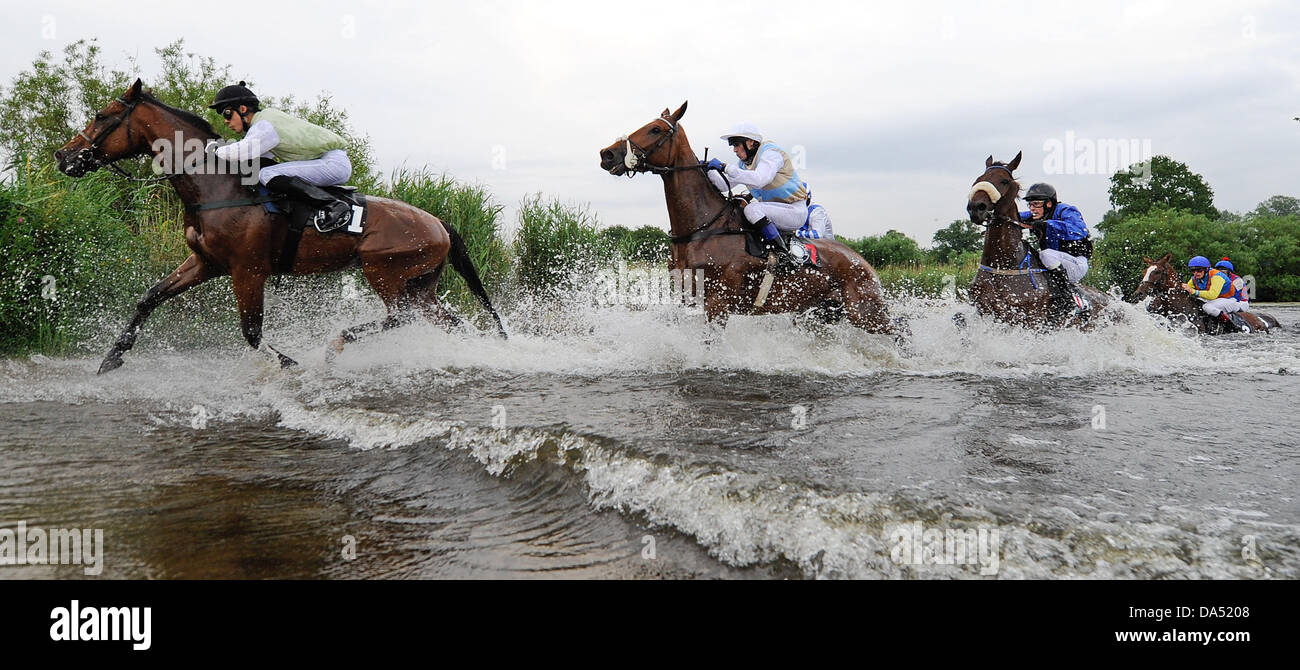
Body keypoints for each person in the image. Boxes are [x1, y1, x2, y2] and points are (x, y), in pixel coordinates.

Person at [206, 81, 353, 230]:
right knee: (266, 170)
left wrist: (216, 150)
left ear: (242, 109)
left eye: (227, 114)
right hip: (327, 161)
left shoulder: (264, 125)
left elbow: (241, 151)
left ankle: (332, 204)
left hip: (332, 163)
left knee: (267, 174)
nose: (225, 121)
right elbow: (260, 159)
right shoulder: (264, 122)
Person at [703, 122, 810, 269]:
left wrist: (724, 167)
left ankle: (783, 253)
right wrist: (706, 170)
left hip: (794, 211)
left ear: (750, 143)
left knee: (752, 210)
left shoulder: (771, 153)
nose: (734, 150)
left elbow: (760, 179)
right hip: (774, 209)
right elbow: (722, 185)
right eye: (732, 146)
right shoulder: (744, 164)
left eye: (736, 145)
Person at [1018, 183, 1092, 320]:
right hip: (1056, 263)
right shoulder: (1038, 214)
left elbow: (1080, 230)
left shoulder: (1066, 211)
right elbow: (1015, 216)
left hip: (1076, 264)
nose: (1032, 209)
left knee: (1045, 254)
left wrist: (1047, 224)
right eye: (1030, 205)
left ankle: (1070, 297)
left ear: (1049, 204)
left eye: (1035, 204)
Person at [1184, 256, 1241, 322]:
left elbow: (1212, 295)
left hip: (1230, 300)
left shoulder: (1217, 276)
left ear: (1206, 269)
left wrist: (1193, 291)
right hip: (1215, 300)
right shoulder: (1194, 278)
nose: (1195, 273)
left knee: (1207, 307)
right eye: (1193, 270)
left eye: (1199, 270)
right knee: (1194, 304)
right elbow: (1187, 288)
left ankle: (1229, 323)